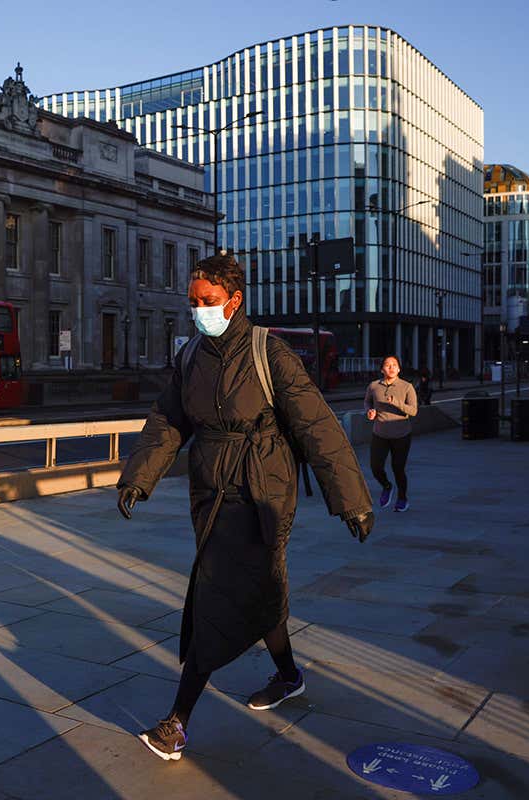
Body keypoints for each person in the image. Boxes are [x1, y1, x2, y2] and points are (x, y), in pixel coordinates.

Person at [115, 254, 374, 763]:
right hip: (209, 490)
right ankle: (290, 675)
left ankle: (177, 723)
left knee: (215, 593)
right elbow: (168, 421)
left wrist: (351, 500)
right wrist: (139, 478)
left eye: (207, 302)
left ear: (234, 300)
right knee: (259, 589)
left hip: (262, 493)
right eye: (192, 303)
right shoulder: (190, 356)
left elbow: (317, 426)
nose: (198, 311)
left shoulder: (270, 354)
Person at [364, 356, 418, 513]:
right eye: (388, 365)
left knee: (398, 468)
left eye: (394, 365)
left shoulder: (407, 387)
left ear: (399, 369)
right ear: (382, 369)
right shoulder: (374, 386)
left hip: (401, 435)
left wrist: (396, 402)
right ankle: (387, 486)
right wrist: (369, 411)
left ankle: (402, 498)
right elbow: (367, 401)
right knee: (375, 467)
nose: (391, 368)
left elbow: (413, 411)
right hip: (380, 434)